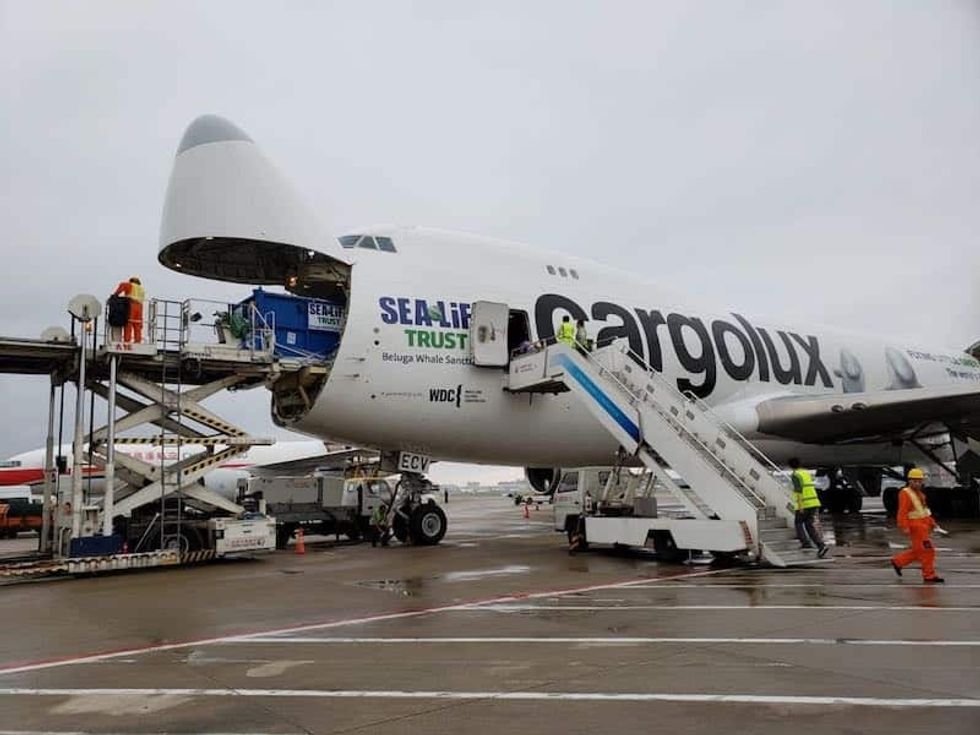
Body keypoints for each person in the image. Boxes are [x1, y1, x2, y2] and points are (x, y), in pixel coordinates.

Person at [891, 467, 945, 583]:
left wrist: (933, 523)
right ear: (909, 481)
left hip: (923, 526)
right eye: (915, 481)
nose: (917, 483)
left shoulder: (920, 495)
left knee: (919, 551)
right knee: (928, 550)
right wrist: (903, 526)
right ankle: (929, 575)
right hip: (915, 527)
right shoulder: (905, 493)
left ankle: (898, 561)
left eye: (919, 481)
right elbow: (902, 511)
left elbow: (924, 512)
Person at [788, 458, 829, 558]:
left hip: (805, 504)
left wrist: (801, 506)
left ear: (791, 466)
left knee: (798, 523)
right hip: (814, 502)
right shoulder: (805, 473)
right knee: (809, 525)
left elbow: (799, 491)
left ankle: (805, 543)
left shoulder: (795, 475)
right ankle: (821, 545)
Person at [113, 276, 145, 343]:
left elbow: (122, 286)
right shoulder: (142, 289)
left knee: (128, 323)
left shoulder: (130, 285)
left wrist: (115, 295)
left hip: (131, 305)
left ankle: (127, 341)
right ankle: (137, 341)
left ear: (131, 281)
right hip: (140, 307)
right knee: (137, 325)